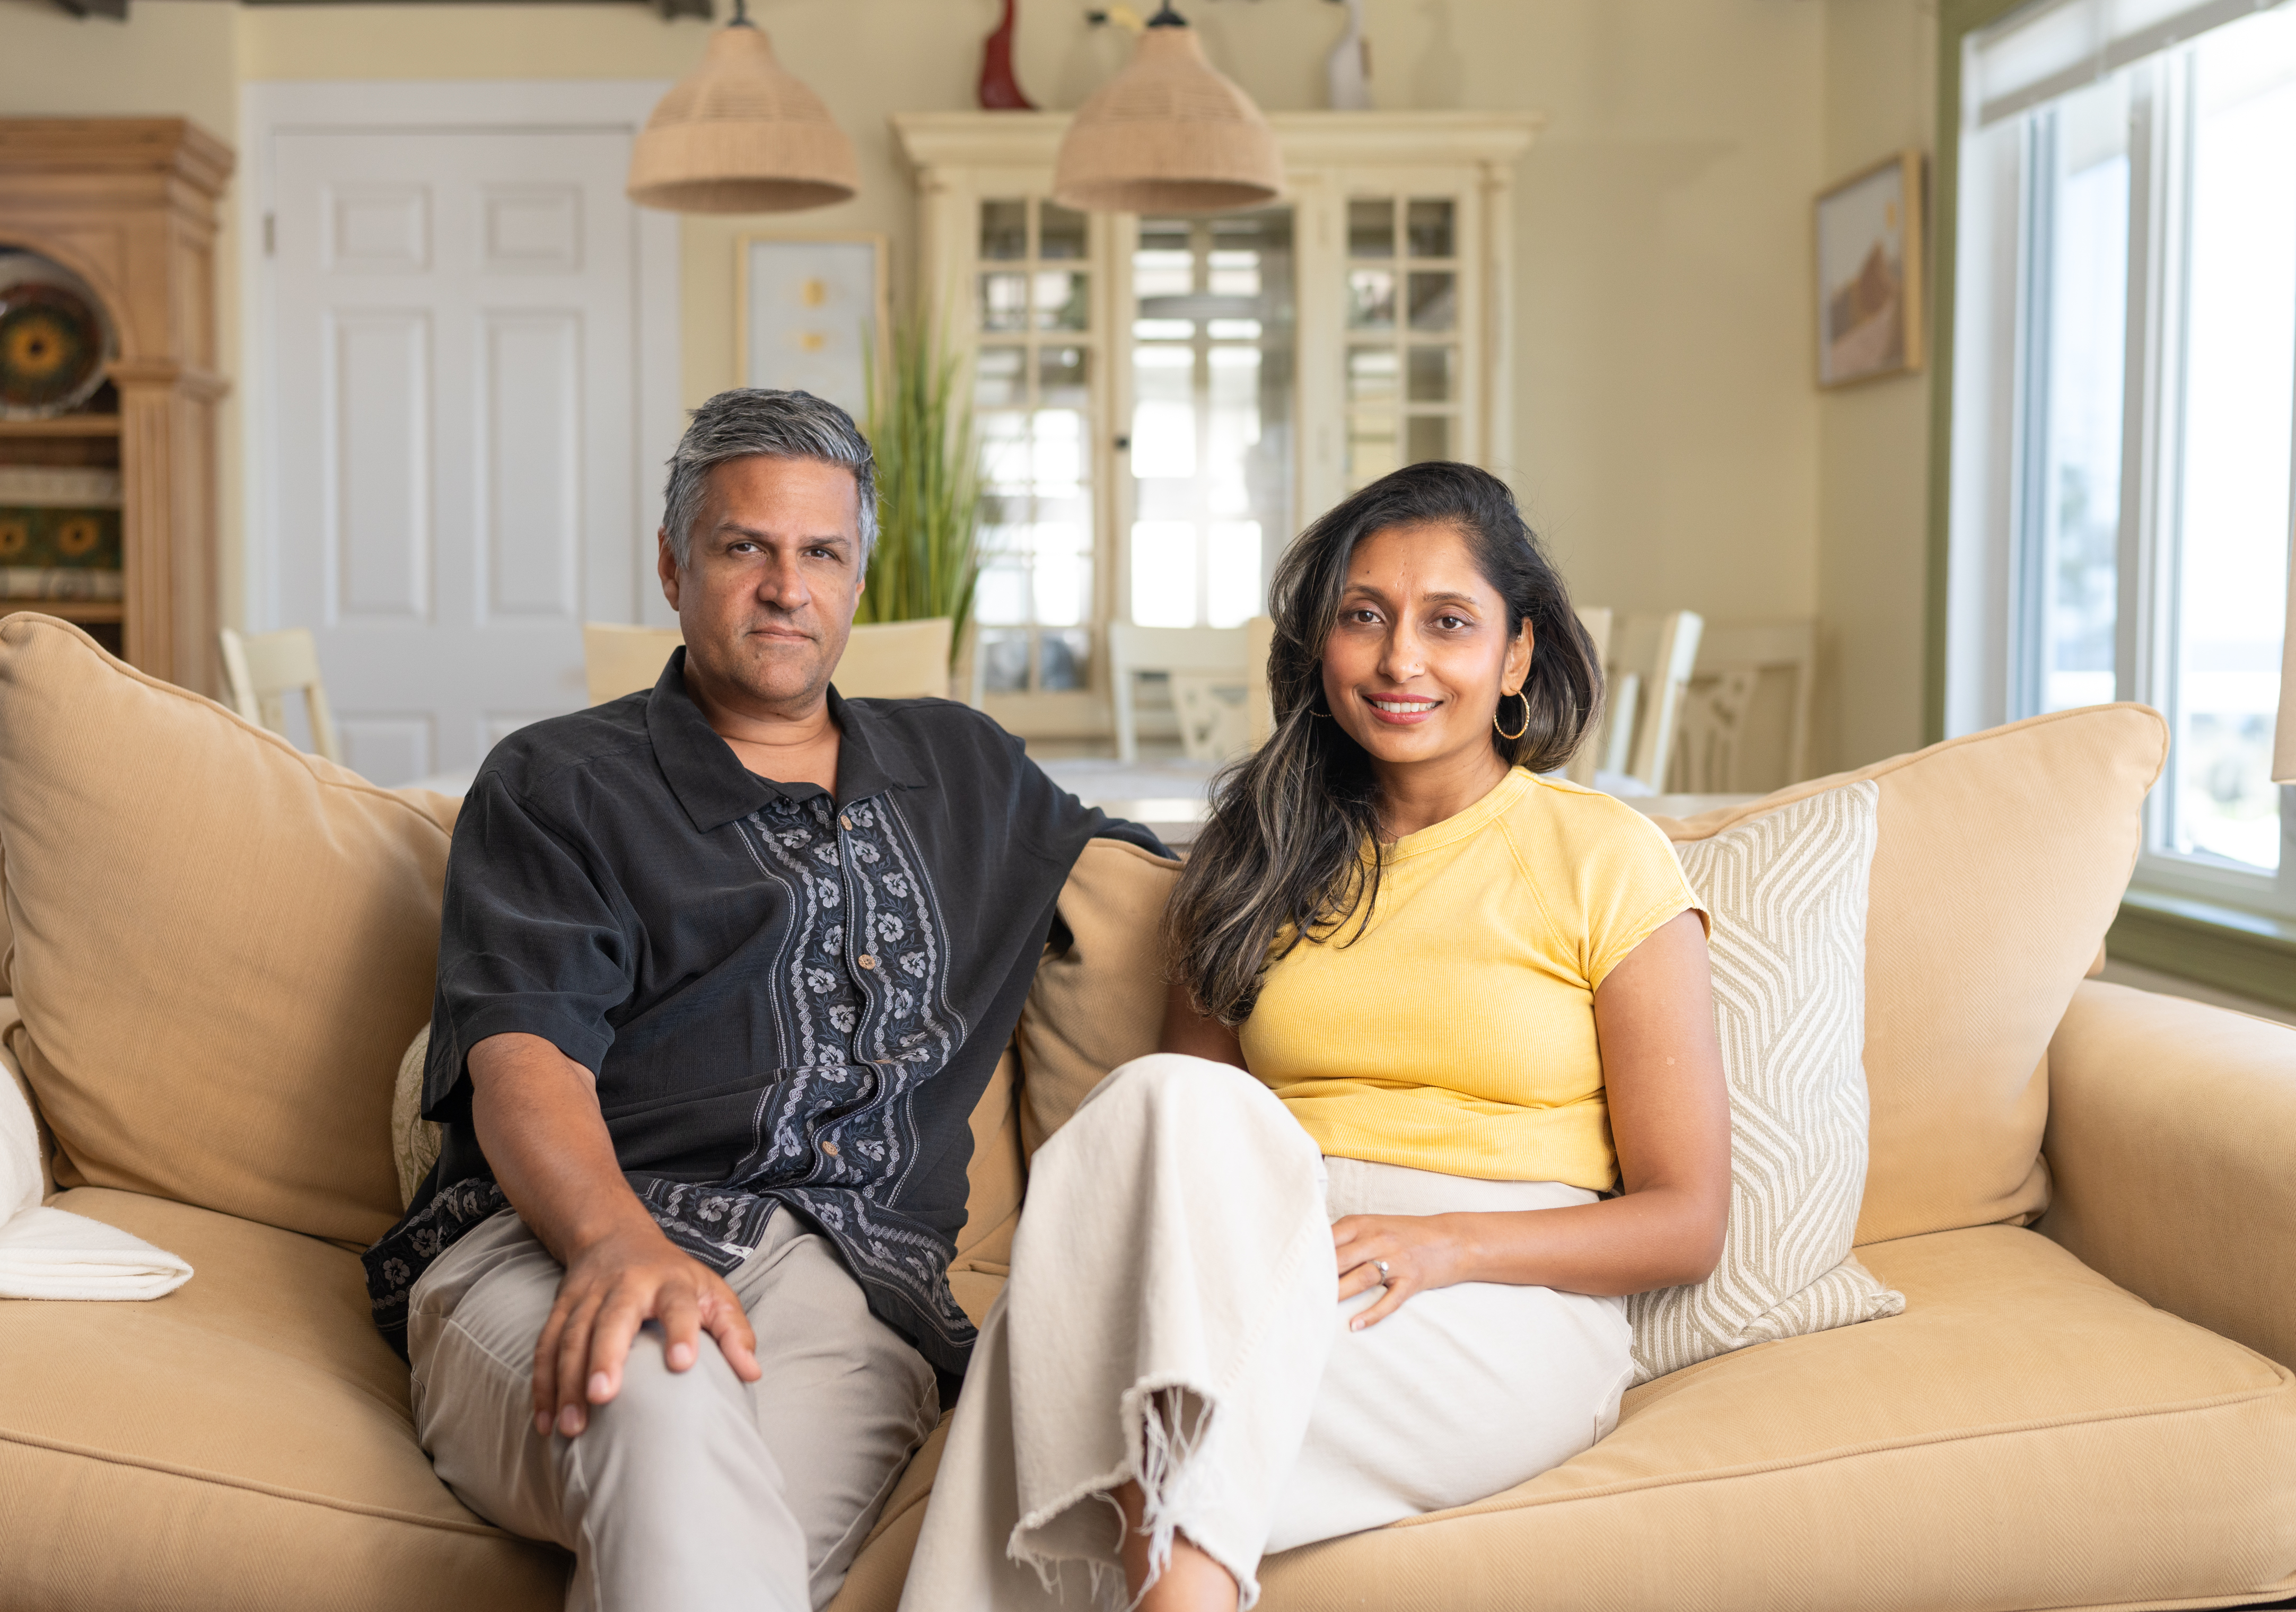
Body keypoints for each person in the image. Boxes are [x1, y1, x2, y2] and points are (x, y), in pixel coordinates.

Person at [360, 388, 1164, 1612]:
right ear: (676, 566)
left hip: (854, 1293)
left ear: (856, 578)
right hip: (563, 1245)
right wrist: (617, 1244)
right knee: (661, 1388)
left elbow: (1194, 880)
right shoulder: (559, 780)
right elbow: (524, 1052)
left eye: (822, 553)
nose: (787, 586)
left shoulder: (963, 767)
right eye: (746, 547)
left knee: (721, 1569)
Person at [901, 462, 1730, 1612]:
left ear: (1517, 655)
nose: (1400, 659)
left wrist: (1445, 1244)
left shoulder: (1605, 855)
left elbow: (1687, 1220)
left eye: (1448, 622)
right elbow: (1182, 1152)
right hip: (1265, 1257)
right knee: (1155, 1108)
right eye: (1363, 616)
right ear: (1319, 645)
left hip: (1497, 1293)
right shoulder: (1256, 855)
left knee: (1098, 1385)